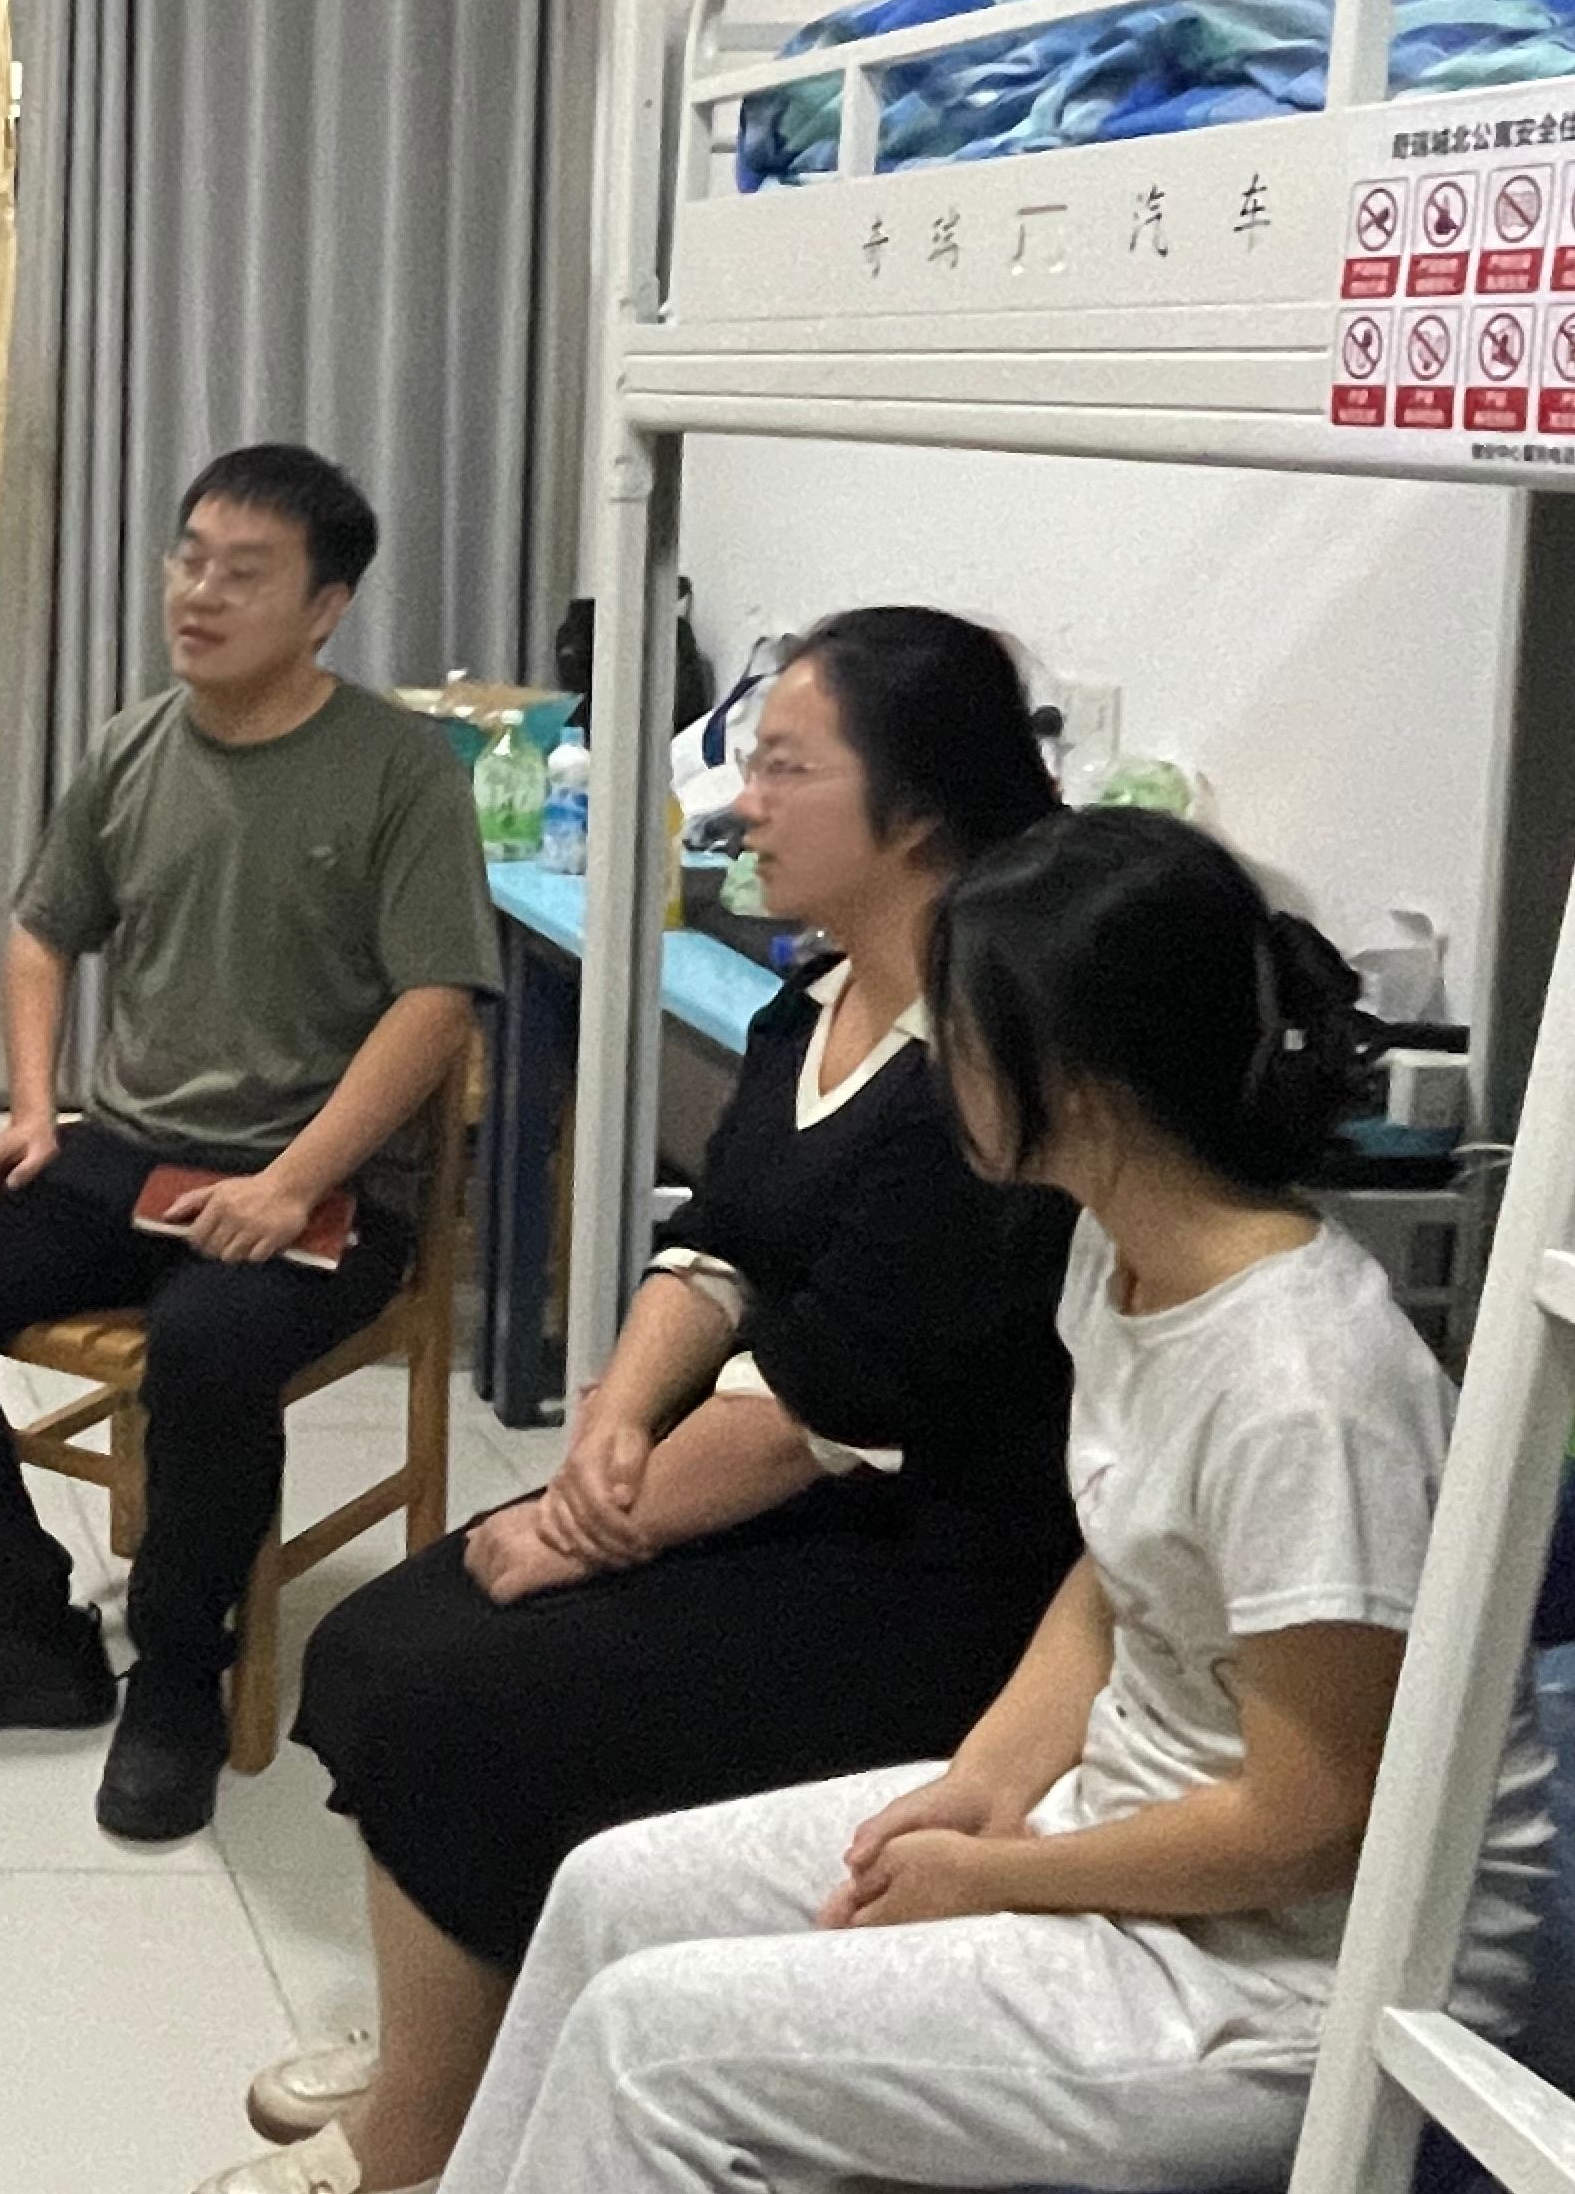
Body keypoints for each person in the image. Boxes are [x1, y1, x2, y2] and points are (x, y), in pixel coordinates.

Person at [439, 807, 1550, 2194]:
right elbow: (1119, 1571)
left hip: (1283, 1980)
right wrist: (980, 1789)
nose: (934, 1065)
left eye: (958, 1035)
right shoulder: (1120, 1249)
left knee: (653, 2046)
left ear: (1077, 1083)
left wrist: (995, 1876)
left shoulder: (1306, 1389)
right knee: (611, 1894)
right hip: (1130, 1829)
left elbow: (1310, 1821)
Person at [208, 609, 1079, 2194]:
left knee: (456, 1695)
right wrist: (613, 1415)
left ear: (917, 815)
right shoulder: (813, 1004)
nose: (741, 803)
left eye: (787, 769)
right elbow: (720, 1245)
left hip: (930, 1564)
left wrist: (586, 1528)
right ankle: (455, 2042)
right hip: (781, 1480)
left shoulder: (986, 1064)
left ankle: (416, 2142)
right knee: (388, 1639)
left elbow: (825, 1402)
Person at [0, 444, 495, 1842]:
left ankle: (182, 1679)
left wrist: (294, 1181)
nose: (199, 593)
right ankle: (34, 1624)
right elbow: (40, 930)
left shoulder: (398, 773)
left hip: (323, 1185)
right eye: (189, 559)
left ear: (325, 609)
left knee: (207, 1349)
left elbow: (436, 1005)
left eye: (244, 574)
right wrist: (30, 1112)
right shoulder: (132, 747)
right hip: (126, 1151)